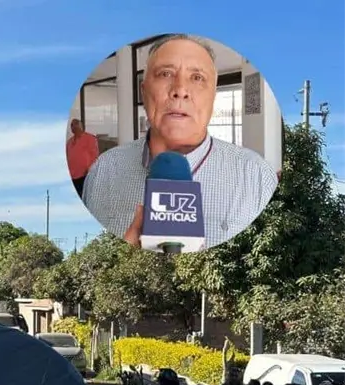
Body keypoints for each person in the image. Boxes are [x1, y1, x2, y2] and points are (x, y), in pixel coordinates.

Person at [81, 33, 279, 251]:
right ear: (144, 92)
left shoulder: (258, 177)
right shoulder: (104, 171)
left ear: (213, 96)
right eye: (166, 74)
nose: (180, 91)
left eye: (197, 78)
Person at [66, 119, 99, 198]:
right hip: (72, 177)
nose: (73, 126)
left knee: (85, 198)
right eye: (72, 125)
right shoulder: (69, 142)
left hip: (85, 175)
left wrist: (90, 170)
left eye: (76, 124)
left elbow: (95, 156)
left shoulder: (90, 138)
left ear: (81, 126)